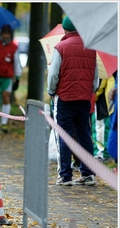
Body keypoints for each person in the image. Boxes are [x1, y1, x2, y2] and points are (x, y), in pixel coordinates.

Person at [47, 16, 99, 186]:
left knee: (64, 135)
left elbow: (54, 74)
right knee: (84, 135)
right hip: (84, 98)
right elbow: (95, 76)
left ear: (65, 29)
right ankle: (88, 173)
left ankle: (65, 175)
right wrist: (90, 90)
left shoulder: (61, 47)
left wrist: (51, 91)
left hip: (65, 98)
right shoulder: (90, 48)